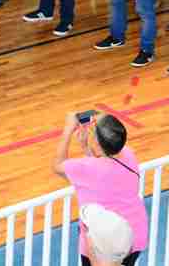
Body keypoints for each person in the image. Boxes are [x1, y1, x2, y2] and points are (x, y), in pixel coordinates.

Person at [52, 112, 148, 266]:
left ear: (97, 143)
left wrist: (68, 130)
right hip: (134, 236)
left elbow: (57, 166)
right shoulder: (129, 155)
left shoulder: (86, 168)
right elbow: (102, 168)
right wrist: (86, 146)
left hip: (103, 245)